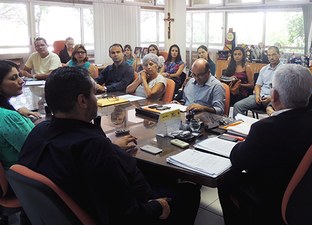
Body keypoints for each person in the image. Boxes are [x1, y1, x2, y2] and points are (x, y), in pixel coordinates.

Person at [18, 66, 200, 225]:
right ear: (82, 100)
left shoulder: (38, 132)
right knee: (189, 191)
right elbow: (124, 217)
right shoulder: (94, 147)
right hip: (109, 214)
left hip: (60, 213)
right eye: (94, 94)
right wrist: (157, 207)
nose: (96, 99)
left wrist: (111, 148)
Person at [218, 64, 312, 225]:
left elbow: (238, 160)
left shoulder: (264, 129)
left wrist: (243, 143)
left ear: (274, 95)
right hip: (309, 194)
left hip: (272, 199)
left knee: (225, 179)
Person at [0, 60, 35, 170]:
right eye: (13, 78)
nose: (21, 81)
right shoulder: (8, 117)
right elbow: (36, 151)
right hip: (24, 176)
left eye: (20, 76)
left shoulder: (7, 112)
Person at [232, 46, 282, 117]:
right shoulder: (264, 69)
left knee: (273, 112)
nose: (271, 57)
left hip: (274, 99)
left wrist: (271, 98)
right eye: (269, 55)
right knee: (238, 106)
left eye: (274, 54)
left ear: (279, 55)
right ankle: (239, 127)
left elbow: (285, 91)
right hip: (260, 97)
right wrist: (257, 95)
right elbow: (258, 85)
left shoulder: (284, 70)